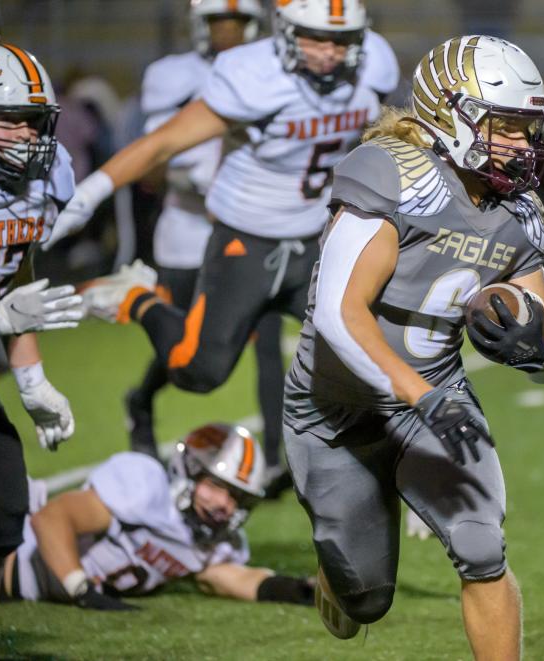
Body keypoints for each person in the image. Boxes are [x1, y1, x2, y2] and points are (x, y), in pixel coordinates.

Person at [282, 35, 544, 659]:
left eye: (529, 129)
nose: (524, 144)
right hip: (335, 409)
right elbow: (339, 313)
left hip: (434, 396)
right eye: (507, 127)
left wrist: (534, 353)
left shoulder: (517, 211)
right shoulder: (395, 173)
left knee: (482, 550)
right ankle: (342, 567)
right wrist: (419, 394)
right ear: (451, 114)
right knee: (365, 600)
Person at [43, 1, 398, 471]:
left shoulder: (373, 64)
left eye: (341, 41)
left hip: (317, 237)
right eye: (315, 38)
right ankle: (136, 298)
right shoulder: (254, 75)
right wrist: (90, 192)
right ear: (283, 32)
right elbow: (165, 141)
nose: (330, 53)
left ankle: (396, 467)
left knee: (375, 346)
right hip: (246, 241)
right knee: (198, 372)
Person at [122, 0, 287, 490]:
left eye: (236, 22)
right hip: (189, 233)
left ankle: (278, 460)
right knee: (185, 348)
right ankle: (142, 399)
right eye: (219, 22)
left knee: (268, 344)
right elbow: (154, 166)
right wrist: (205, 182)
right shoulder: (172, 77)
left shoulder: (268, 72)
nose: (228, 32)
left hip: (251, 233)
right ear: (202, 26)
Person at [0, 423, 316, 610]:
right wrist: (81, 590)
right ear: (190, 471)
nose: (226, 506)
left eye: (237, 498)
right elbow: (52, 518)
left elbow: (229, 577)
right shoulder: (145, 486)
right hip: (4, 552)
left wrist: (298, 590)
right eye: (219, 488)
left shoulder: (211, 542)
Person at [0, 43, 85, 589]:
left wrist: (31, 381)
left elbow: (14, 270)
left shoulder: (47, 179)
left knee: (3, 511)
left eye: (35, 121)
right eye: (13, 121)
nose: (29, 135)